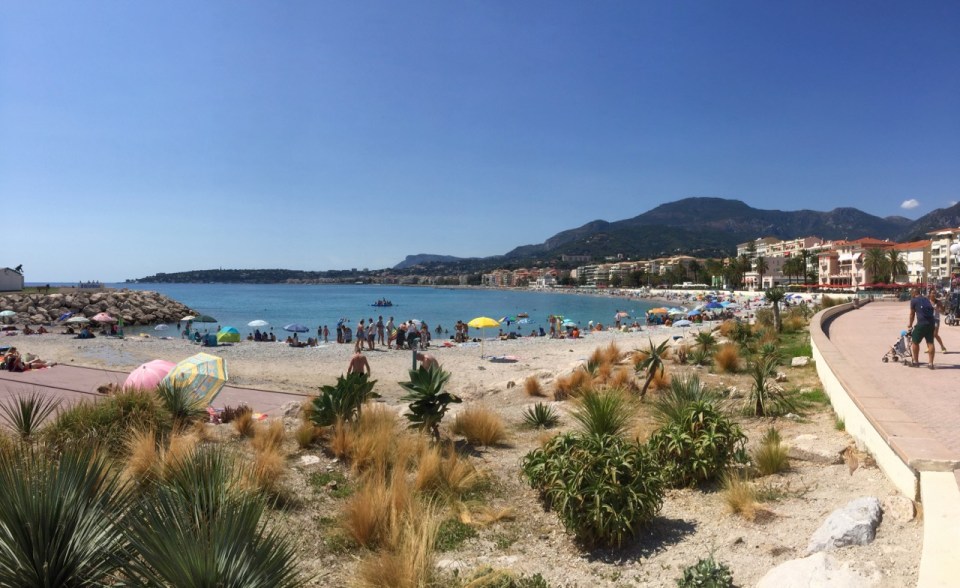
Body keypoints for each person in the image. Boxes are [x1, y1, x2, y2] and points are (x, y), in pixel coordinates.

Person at [908, 288, 936, 369]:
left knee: (915, 342)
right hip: (931, 324)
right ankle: (930, 364)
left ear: (913, 293)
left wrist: (910, 324)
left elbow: (912, 314)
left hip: (921, 324)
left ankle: (916, 362)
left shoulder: (913, 300)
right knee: (930, 343)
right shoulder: (926, 299)